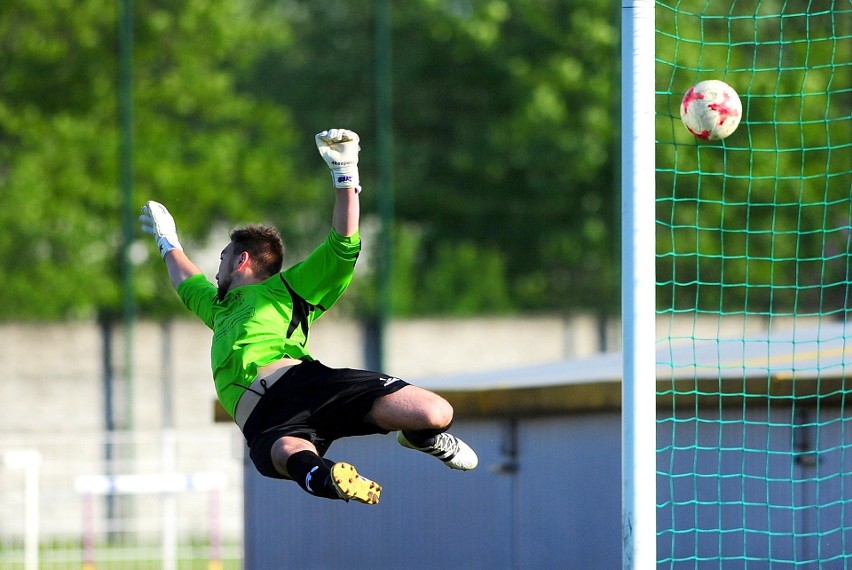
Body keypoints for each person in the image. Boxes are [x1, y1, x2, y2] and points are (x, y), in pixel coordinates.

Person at [139, 128, 477, 505]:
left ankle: (421, 437)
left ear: (241, 260)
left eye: (221, 259)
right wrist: (167, 240)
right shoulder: (216, 307)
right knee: (285, 452)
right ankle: (329, 476)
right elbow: (185, 278)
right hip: (261, 417)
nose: (215, 270)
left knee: (434, 411)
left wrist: (345, 173)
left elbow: (342, 244)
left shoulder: (288, 288)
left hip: (303, 382)